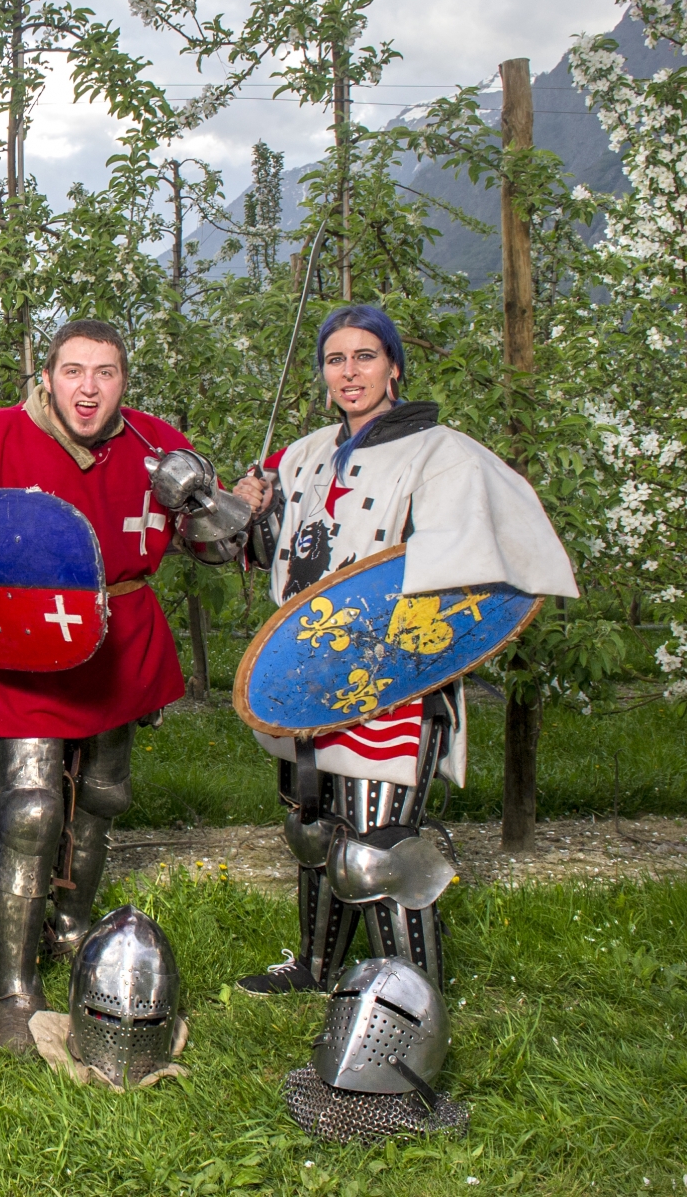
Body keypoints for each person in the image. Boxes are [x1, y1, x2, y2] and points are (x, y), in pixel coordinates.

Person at [0, 318, 248, 1056]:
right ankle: (14, 990)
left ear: (125, 379)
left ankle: (71, 929)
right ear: (46, 375)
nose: (88, 390)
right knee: (30, 809)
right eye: (73, 371)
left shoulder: (157, 445)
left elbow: (216, 543)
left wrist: (219, 503)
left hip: (117, 634)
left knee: (100, 799)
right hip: (27, 639)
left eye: (106, 373)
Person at [229, 304, 575, 995]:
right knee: (317, 835)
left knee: (377, 852)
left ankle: (412, 1001)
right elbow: (284, 564)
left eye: (364, 356)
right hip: (313, 672)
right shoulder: (303, 454)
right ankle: (317, 967)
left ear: (393, 365)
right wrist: (253, 511)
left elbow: (464, 568)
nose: (349, 372)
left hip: (393, 682)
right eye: (336, 359)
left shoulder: (442, 453)